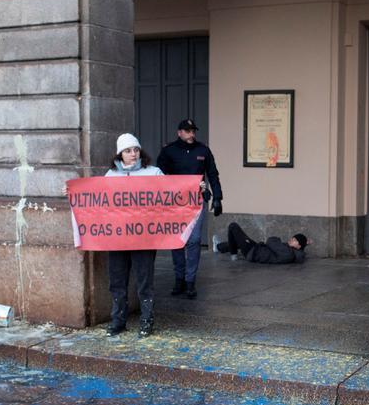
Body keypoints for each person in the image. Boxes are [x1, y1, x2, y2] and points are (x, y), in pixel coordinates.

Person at [157, 119, 223, 300]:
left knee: (194, 240)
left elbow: (213, 174)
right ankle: (179, 279)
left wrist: (217, 197)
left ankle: (190, 281)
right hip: (175, 203)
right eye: (187, 131)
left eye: (193, 131)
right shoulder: (168, 151)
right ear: (179, 133)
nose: (191, 134)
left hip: (197, 200)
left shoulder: (203, 150)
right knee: (177, 240)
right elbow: (158, 176)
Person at [106, 133, 164, 337]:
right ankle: (118, 320)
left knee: (144, 280)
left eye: (136, 150)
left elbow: (172, 194)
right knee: (117, 280)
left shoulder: (154, 172)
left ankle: (146, 321)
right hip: (117, 238)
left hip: (144, 238)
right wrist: (73, 193)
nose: (133, 154)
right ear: (120, 154)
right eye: (128, 150)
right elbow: (96, 202)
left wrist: (194, 189)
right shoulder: (110, 175)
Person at [213, 222, 307, 264]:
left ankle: (233, 254)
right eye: (292, 238)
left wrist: (277, 239)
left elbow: (271, 241)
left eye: (294, 240)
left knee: (233, 226)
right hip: (256, 249)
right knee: (238, 242)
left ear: (298, 246)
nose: (291, 240)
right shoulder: (290, 252)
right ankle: (218, 247)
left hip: (253, 252)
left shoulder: (288, 253)